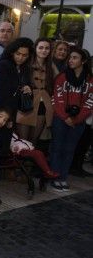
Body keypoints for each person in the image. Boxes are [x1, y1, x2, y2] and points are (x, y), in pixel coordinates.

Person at [49, 48, 93, 191]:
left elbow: (90, 102)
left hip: (78, 122)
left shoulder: (90, 80)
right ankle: (54, 176)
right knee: (57, 148)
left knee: (69, 150)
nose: (71, 60)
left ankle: (63, 177)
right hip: (61, 119)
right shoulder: (62, 77)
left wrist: (78, 118)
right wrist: (66, 117)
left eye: (75, 58)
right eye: (70, 57)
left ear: (83, 61)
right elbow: (57, 98)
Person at [0, 37, 33, 156]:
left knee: (4, 145)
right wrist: (8, 117)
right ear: (12, 52)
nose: (21, 57)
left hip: (12, 111)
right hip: (1, 112)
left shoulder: (23, 68)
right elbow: (0, 92)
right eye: (18, 54)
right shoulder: (4, 66)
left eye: (25, 55)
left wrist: (27, 88)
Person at [16, 38, 56, 145]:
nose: (44, 50)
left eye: (47, 48)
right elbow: (17, 80)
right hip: (27, 103)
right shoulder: (26, 64)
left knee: (33, 141)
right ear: (35, 49)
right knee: (22, 142)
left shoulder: (51, 67)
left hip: (43, 105)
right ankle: (19, 161)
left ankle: (29, 160)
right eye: (41, 47)